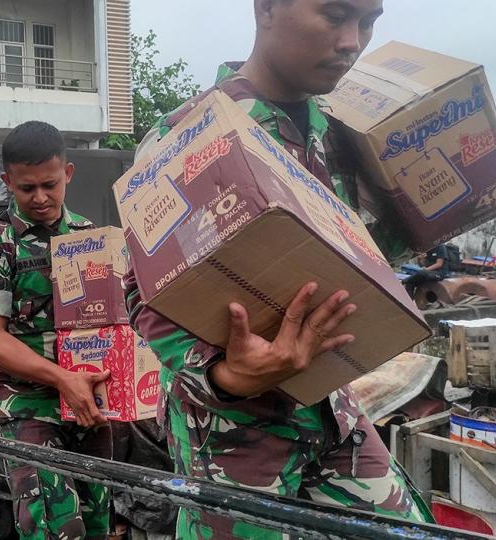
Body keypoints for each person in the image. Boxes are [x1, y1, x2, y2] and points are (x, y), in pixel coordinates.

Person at [125, 1, 432, 538]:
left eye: (368, 22)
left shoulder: (340, 135)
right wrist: (228, 375)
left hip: (331, 407)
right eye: (335, 15)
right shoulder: (193, 134)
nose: (352, 41)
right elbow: (142, 291)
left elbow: (363, 256)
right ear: (266, 8)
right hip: (233, 434)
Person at [0, 121, 112, 540]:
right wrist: (62, 379)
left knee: (98, 512)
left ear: (68, 174)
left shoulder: (90, 237)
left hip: (90, 397)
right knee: (52, 524)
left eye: (50, 184)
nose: (40, 197)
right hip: (28, 403)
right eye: (27, 188)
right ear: (7, 181)